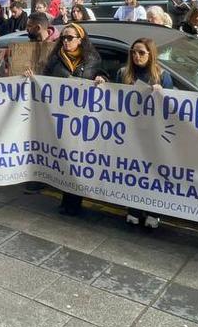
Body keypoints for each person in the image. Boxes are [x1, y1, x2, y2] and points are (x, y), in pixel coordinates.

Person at [36, 23, 106, 216]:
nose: (66, 41)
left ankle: (75, 201)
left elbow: (104, 75)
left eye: (70, 38)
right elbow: (44, 82)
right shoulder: (55, 60)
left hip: (83, 121)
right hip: (61, 119)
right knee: (65, 160)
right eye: (64, 38)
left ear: (80, 40)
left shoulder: (92, 60)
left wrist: (101, 78)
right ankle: (66, 200)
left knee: (78, 162)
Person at [117, 37, 173, 231]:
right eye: (133, 52)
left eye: (141, 53)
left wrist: (162, 93)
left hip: (154, 134)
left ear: (151, 54)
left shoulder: (162, 76)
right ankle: (133, 209)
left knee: (153, 173)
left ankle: (153, 212)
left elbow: (172, 107)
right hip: (130, 133)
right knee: (133, 172)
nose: (136, 56)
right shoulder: (123, 73)